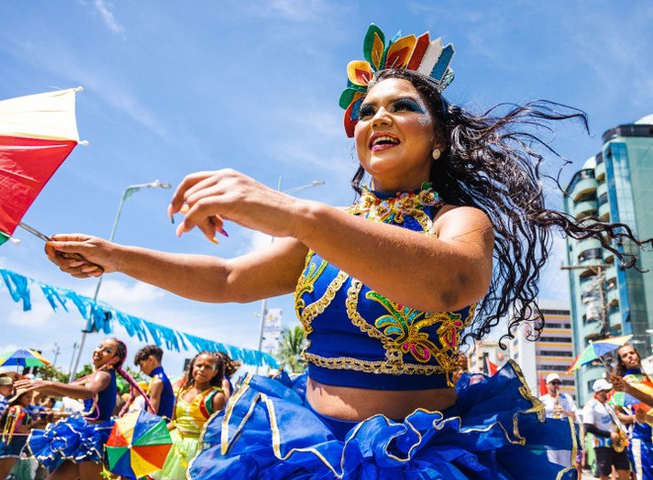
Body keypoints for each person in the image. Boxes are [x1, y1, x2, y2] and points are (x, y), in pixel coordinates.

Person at [44, 24, 653, 479]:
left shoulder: (457, 219)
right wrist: (118, 257)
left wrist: (292, 212)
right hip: (301, 449)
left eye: (402, 106)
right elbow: (228, 280)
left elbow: (451, 283)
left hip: (422, 459)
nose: (378, 117)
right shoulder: (330, 226)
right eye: (367, 111)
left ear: (438, 140)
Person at [17, 338, 142, 480]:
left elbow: (89, 392)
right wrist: (43, 386)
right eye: (100, 346)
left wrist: (49, 384)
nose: (99, 351)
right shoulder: (96, 375)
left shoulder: (103, 375)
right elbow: (67, 391)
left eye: (107, 351)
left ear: (114, 359)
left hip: (95, 439)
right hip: (85, 437)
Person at [156, 351, 225, 480]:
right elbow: (174, 422)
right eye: (199, 365)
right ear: (192, 367)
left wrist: (210, 459)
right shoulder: (182, 391)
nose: (202, 369)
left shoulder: (216, 397)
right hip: (172, 445)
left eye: (208, 367)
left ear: (215, 372)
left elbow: (217, 433)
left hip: (196, 450)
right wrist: (155, 435)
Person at [610, 345, 653, 480]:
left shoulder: (647, 379)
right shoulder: (623, 383)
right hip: (640, 438)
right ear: (622, 362)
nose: (630, 356)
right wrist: (634, 417)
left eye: (632, 353)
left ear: (637, 355)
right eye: (625, 355)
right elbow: (617, 414)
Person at [0, 389, 45, 480]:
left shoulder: (22, 409)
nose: (29, 399)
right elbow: (9, 427)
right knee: (1, 475)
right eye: (27, 397)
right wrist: (25, 429)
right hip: (10, 445)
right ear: (19, 397)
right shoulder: (16, 409)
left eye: (31, 397)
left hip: (14, 445)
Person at [583, 378, 631, 480]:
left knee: (625, 470)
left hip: (617, 443)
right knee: (605, 474)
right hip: (602, 444)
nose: (609, 392)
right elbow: (588, 427)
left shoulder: (608, 404)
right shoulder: (590, 405)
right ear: (599, 392)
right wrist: (609, 434)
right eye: (606, 391)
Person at [134, 345, 175, 418]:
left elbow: (152, 413)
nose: (141, 370)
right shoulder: (162, 378)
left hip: (158, 426)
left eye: (141, 365)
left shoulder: (157, 381)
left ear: (150, 360)